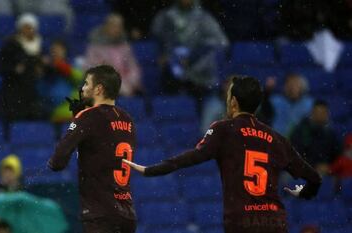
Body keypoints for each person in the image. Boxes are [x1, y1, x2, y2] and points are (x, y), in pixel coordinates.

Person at [124, 76, 321, 233]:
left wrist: (151, 170)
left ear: (233, 102)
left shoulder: (224, 129)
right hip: (274, 221)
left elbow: (193, 156)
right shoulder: (276, 138)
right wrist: (304, 192)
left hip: (242, 221)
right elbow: (314, 178)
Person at [48, 65, 137, 233]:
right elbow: (104, 146)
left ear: (99, 89)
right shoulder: (128, 120)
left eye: (86, 84)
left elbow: (58, 160)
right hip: (126, 212)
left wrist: (77, 121)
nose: (82, 88)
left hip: (100, 212)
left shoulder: (88, 117)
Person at [151, 0, 229, 97]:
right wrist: (164, 54)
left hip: (199, 72)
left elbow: (222, 42)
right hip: (173, 70)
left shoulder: (204, 17)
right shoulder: (165, 16)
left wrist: (193, 56)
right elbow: (157, 37)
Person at [0, 13, 46, 123]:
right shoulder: (11, 44)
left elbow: (44, 67)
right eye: (25, 27)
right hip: (13, 90)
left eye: (30, 27)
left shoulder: (41, 46)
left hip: (32, 91)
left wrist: (42, 68)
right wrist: (13, 69)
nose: (28, 30)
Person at [84, 13, 143, 96]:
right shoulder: (95, 46)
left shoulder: (125, 46)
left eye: (119, 26)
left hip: (125, 85)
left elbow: (133, 68)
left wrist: (130, 82)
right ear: (106, 26)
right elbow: (90, 68)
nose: (117, 29)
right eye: (114, 26)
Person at [290, 100, 341, 175]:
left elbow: (337, 155)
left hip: (326, 172)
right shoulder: (300, 131)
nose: (320, 116)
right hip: (303, 171)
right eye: (317, 113)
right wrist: (314, 166)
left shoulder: (331, 134)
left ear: (327, 114)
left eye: (323, 113)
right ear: (312, 113)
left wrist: (329, 167)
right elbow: (294, 155)